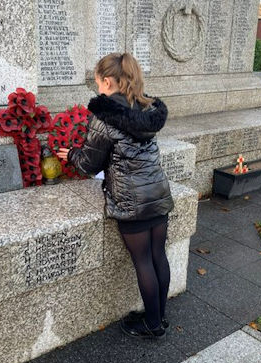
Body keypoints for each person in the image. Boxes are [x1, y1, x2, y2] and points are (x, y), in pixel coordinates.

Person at [58, 53, 174, 340]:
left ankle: (153, 324)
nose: (98, 88)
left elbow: (89, 164)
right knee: (158, 255)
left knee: (143, 261)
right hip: (157, 193)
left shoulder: (105, 116)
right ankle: (158, 316)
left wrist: (70, 154)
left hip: (131, 201)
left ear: (108, 81)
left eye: (98, 82)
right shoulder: (147, 108)